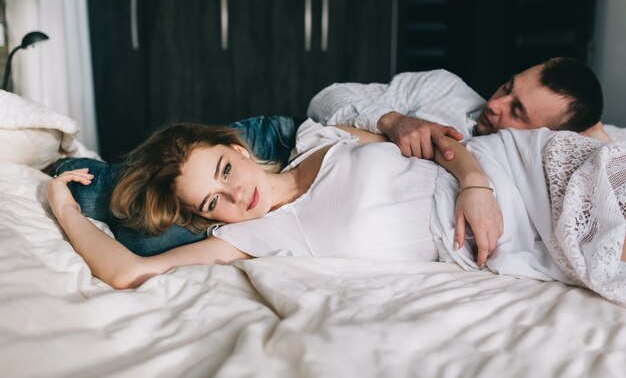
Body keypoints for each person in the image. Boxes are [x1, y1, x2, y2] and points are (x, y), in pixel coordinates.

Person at [47, 120, 626, 306]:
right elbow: (127, 272)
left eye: (226, 171)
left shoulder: (322, 138)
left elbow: (436, 139)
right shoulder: (263, 234)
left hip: (511, 167)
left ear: (239, 149)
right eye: (211, 203)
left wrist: (474, 181)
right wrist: (62, 209)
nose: (233, 196)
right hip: (517, 235)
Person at [307, 56, 610, 160]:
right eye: (507, 86)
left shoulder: (533, 171)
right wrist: (393, 121)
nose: (493, 104)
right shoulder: (444, 86)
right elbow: (323, 99)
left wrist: (595, 131)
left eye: (516, 111)